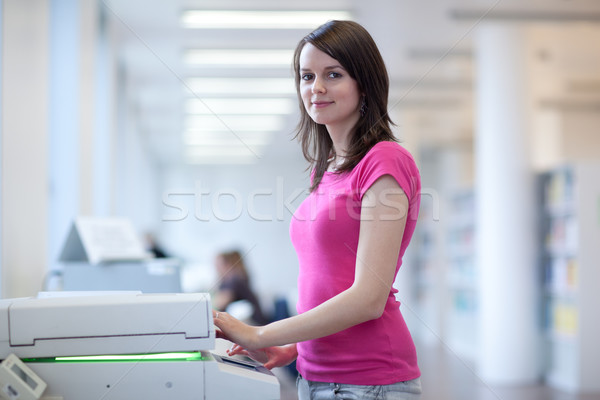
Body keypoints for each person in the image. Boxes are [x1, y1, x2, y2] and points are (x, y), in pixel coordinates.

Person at [213, 20, 422, 399]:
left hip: (369, 381)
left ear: (365, 84)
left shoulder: (385, 161)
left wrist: (260, 332)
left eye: (333, 74)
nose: (317, 88)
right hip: (315, 375)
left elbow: (369, 298)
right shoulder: (326, 170)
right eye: (307, 76)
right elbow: (328, 278)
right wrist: (296, 344)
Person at [213, 250, 269, 326]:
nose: (215, 267)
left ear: (227, 264)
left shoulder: (234, 280)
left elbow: (220, 304)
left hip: (253, 322)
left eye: (218, 264)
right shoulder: (228, 280)